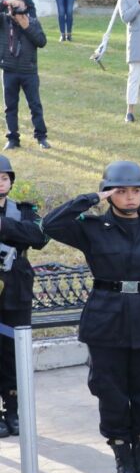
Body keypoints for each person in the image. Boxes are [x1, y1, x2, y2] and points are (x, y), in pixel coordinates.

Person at [42, 161, 140, 473]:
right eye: (121, 191)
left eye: (136, 191)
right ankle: (123, 460)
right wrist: (91, 198)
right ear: (109, 194)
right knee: (111, 391)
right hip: (107, 320)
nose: (130, 197)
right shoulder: (91, 227)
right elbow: (50, 224)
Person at [0, 155, 45, 438]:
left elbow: (39, 237)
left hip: (16, 290)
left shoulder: (24, 211)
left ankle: (13, 410)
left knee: (14, 351)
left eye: (4, 178)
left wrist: (4, 226)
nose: (0, 183)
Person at [0, 0, 49, 150]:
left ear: (26, 7)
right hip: (9, 70)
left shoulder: (33, 22)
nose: (16, 9)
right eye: (14, 7)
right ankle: (12, 138)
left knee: (35, 105)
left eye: (19, 6)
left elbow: (41, 42)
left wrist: (26, 25)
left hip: (29, 71)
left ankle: (41, 137)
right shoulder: (3, 21)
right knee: (10, 106)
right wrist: (5, 2)